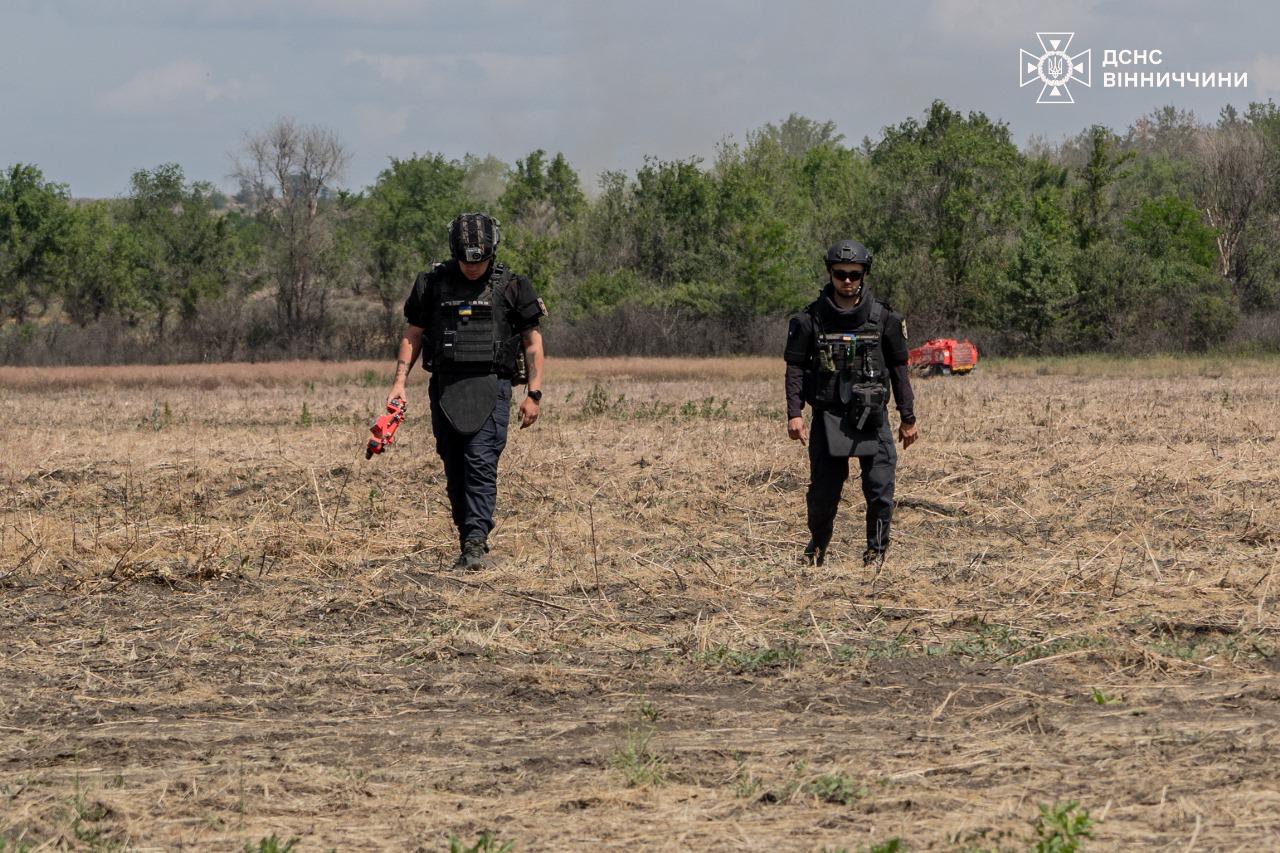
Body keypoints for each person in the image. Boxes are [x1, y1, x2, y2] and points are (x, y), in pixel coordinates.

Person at [387, 212, 546, 570]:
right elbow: (414, 333)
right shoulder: (432, 284)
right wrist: (399, 383)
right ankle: (467, 536)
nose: (473, 268)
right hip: (446, 388)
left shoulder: (513, 286)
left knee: (480, 463)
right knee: (455, 466)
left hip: (492, 386)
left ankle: (475, 543)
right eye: (465, 261)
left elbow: (532, 341)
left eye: (480, 261)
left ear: (492, 252)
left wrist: (533, 394)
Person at [784, 239, 918, 568]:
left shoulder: (885, 318)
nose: (847, 280)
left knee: (880, 489)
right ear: (830, 273)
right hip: (828, 416)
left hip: (873, 417)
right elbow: (795, 367)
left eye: (854, 274)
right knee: (822, 494)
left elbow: (899, 370)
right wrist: (794, 413)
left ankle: (876, 554)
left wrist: (908, 417)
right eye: (840, 273)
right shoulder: (810, 319)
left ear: (864, 275)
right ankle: (817, 547)